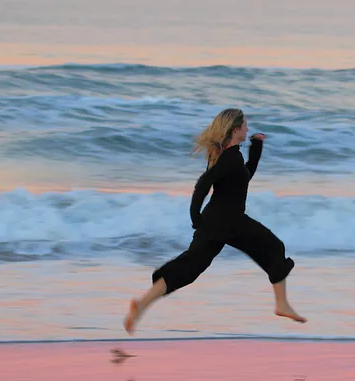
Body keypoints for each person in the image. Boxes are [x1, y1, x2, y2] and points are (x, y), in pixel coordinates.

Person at [124, 108, 306, 335]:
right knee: (273, 246)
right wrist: (194, 215)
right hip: (228, 221)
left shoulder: (229, 155)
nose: (248, 128)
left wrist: (256, 148)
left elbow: (244, 177)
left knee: (189, 267)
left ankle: (141, 304)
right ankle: (281, 304)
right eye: (245, 125)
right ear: (236, 129)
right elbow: (203, 183)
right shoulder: (228, 158)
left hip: (218, 221)